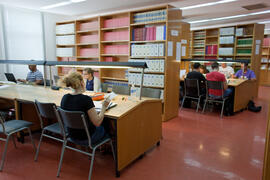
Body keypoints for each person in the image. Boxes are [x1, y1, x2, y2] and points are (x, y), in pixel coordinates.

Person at [60, 72, 110, 144]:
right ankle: (108, 147)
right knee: (106, 121)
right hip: (88, 137)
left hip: (71, 135)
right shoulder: (86, 99)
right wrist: (104, 107)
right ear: (81, 83)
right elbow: (97, 123)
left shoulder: (65, 97)